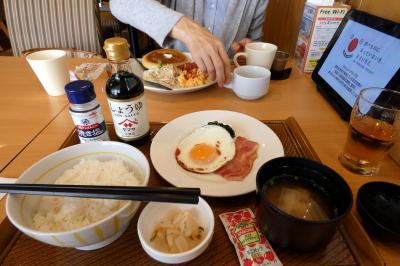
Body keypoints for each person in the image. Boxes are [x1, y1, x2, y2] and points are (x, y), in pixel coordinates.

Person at [110, 0, 269, 87]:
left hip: (223, 87)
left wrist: (248, 53)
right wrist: (188, 30)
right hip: (169, 86)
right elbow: (120, 3)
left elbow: (254, 42)